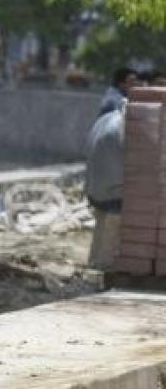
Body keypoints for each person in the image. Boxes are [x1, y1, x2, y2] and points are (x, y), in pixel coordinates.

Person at [85, 98, 126, 270]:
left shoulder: (106, 119)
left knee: (101, 223)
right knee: (113, 224)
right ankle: (103, 267)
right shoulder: (121, 128)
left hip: (95, 185)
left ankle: (94, 261)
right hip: (112, 189)